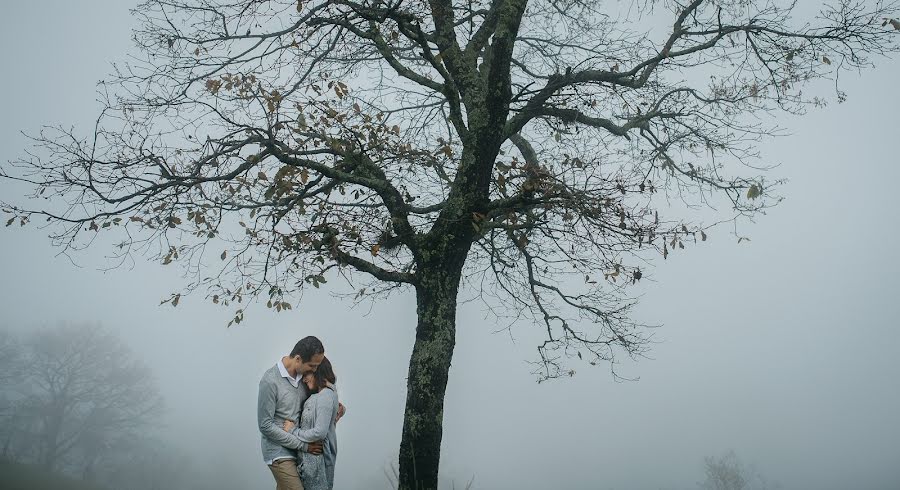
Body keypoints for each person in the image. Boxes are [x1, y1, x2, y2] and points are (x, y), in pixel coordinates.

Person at [257, 336, 326, 490]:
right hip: (279, 452)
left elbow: (320, 397)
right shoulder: (269, 381)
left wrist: (336, 406)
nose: (315, 370)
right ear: (298, 359)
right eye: (312, 365)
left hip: (300, 451)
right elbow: (265, 426)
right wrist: (304, 446)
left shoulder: (305, 378)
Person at [283, 356, 339, 490]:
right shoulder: (323, 395)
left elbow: (319, 432)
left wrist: (292, 430)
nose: (303, 379)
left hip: (318, 467)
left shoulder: (325, 395)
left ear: (317, 370)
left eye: (306, 374)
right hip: (310, 466)